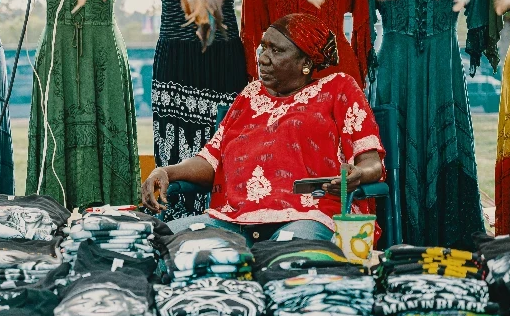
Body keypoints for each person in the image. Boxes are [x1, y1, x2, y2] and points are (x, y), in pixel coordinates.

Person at [141, 13, 385, 243]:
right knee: (157, 240)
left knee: (286, 257)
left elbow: (372, 163)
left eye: (276, 50)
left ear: (306, 63)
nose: (262, 57)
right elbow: (211, 160)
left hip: (309, 214)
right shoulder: (249, 95)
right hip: (234, 219)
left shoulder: (338, 88)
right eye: (263, 47)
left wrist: (358, 175)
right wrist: (166, 171)